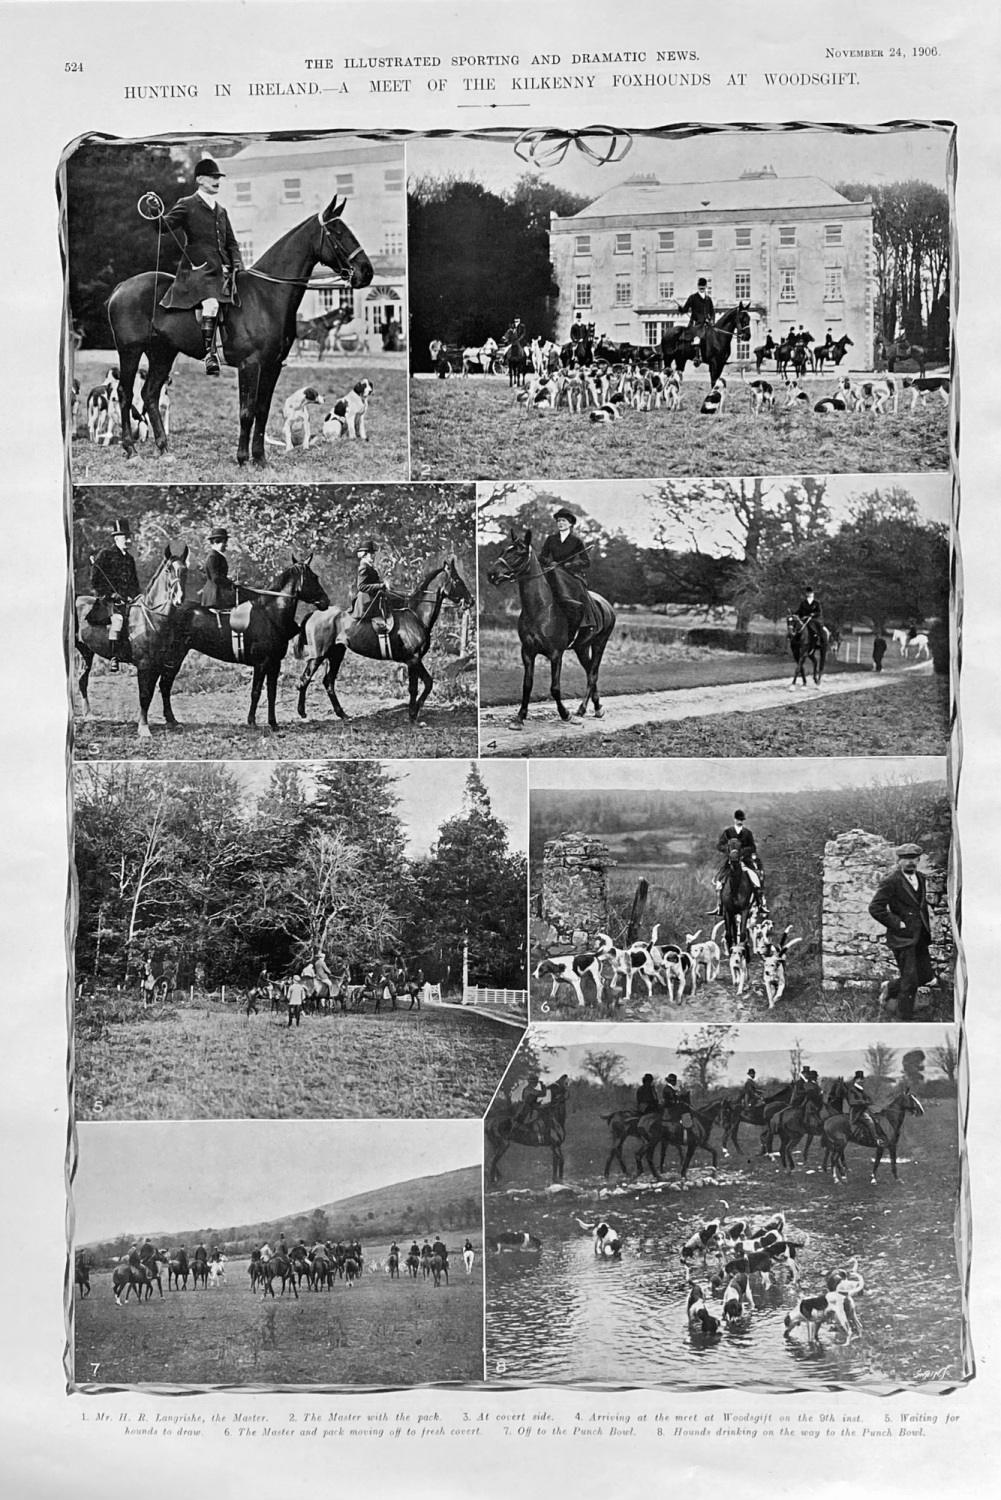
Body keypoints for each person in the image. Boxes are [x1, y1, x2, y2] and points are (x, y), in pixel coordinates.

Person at [158, 157, 245, 376]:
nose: (217, 181)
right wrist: (154, 213)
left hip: (223, 272)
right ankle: (209, 355)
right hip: (198, 272)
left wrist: (236, 263)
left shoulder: (222, 211)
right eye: (212, 177)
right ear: (199, 179)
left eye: (218, 178)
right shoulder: (187, 204)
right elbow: (164, 226)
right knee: (212, 305)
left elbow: (231, 243)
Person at [868, 843, 935, 1021]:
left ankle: (890, 987)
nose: (909, 862)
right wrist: (898, 923)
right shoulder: (891, 881)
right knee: (911, 979)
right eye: (905, 859)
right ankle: (903, 1017)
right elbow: (875, 908)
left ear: (918, 860)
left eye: (913, 859)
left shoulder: (921, 877)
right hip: (902, 937)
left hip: (920, 936)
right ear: (899, 861)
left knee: (926, 976)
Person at [538, 508, 600, 646]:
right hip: (553, 571)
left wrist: (570, 564)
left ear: (570, 523)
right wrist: (551, 562)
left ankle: (589, 622)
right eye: (558, 520)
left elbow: (586, 561)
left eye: (563, 521)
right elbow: (542, 557)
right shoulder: (551, 539)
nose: (560, 523)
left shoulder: (576, 541)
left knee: (581, 589)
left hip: (571, 574)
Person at [90, 518, 141, 669]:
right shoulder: (105, 554)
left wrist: (136, 595)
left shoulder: (130, 559)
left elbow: (134, 582)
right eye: (126, 538)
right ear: (116, 538)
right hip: (108, 600)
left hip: (127, 599)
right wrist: (110, 594)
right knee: (118, 620)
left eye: (129, 537)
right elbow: (95, 580)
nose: (129, 540)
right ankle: (114, 656)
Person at [714, 810, 764, 908]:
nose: (740, 821)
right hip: (730, 862)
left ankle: (760, 904)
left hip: (745, 861)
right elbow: (719, 845)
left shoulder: (747, 833)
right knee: (719, 881)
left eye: (741, 820)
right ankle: (719, 905)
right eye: (738, 819)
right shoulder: (728, 832)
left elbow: (752, 847)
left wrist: (743, 852)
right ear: (734, 820)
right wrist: (730, 851)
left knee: (756, 879)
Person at [351, 540, 392, 631]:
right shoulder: (364, 567)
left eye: (373, 553)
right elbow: (361, 586)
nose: (373, 556)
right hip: (367, 601)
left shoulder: (368, 566)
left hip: (373, 597)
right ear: (364, 555)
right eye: (371, 554)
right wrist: (380, 586)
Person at [199, 526, 237, 609]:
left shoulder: (217, 556)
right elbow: (216, 578)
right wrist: (230, 583)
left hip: (218, 591)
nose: (226, 545)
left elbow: (218, 575)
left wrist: (228, 579)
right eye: (224, 542)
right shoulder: (213, 557)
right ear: (215, 542)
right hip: (215, 594)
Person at [681, 277, 715, 349]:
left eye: (703, 286)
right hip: (696, 323)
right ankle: (696, 355)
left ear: (706, 286)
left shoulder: (708, 299)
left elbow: (712, 312)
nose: (702, 288)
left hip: (707, 323)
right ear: (698, 286)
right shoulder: (693, 297)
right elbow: (685, 310)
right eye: (700, 286)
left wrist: (712, 320)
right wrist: (681, 309)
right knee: (697, 339)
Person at [847, 1070, 880, 1143]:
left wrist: (870, 1101)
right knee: (870, 1121)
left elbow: (867, 1097)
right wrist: (862, 1102)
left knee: (877, 1118)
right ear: (856, 1080)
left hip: (863, 1109)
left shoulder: (860, 1089)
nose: (862, 1081)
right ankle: (875, 1139)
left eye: (862, 1079)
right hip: (857, 1111)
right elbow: (851, 1101)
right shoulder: (852, 1089)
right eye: (860, 1079)